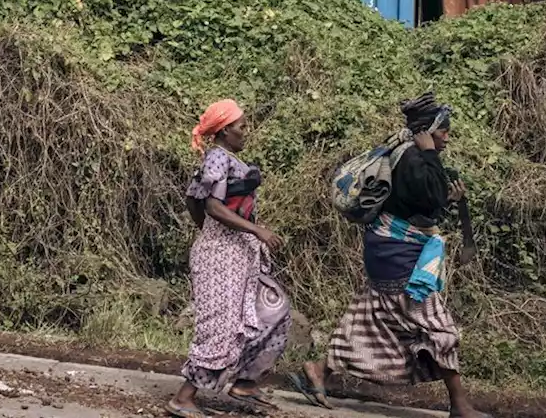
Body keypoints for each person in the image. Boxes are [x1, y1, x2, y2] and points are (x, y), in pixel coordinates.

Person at [294, 93, 489, 418]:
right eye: (444, 130)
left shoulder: (403, 153)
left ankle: (319, 369)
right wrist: (430, 157)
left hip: (384, 250)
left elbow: (422, 205)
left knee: (372, 317)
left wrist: (446, 194)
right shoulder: (415, 157)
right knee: (439, 327)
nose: (447, 137)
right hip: (400, 256)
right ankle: (459, 405)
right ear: (428, 130)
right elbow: (428, 198)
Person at [167, 100, 289, 418]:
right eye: (241, 126)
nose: (245, 132)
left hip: (239, 254)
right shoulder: (218, 157)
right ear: (224, 131)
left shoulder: (226, 159)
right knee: (220, 326)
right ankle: (183, 397)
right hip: (221, 257)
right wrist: (254, 230)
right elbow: (211, 207)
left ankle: (245, 382)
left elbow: (194, 199)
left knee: (272, 310)